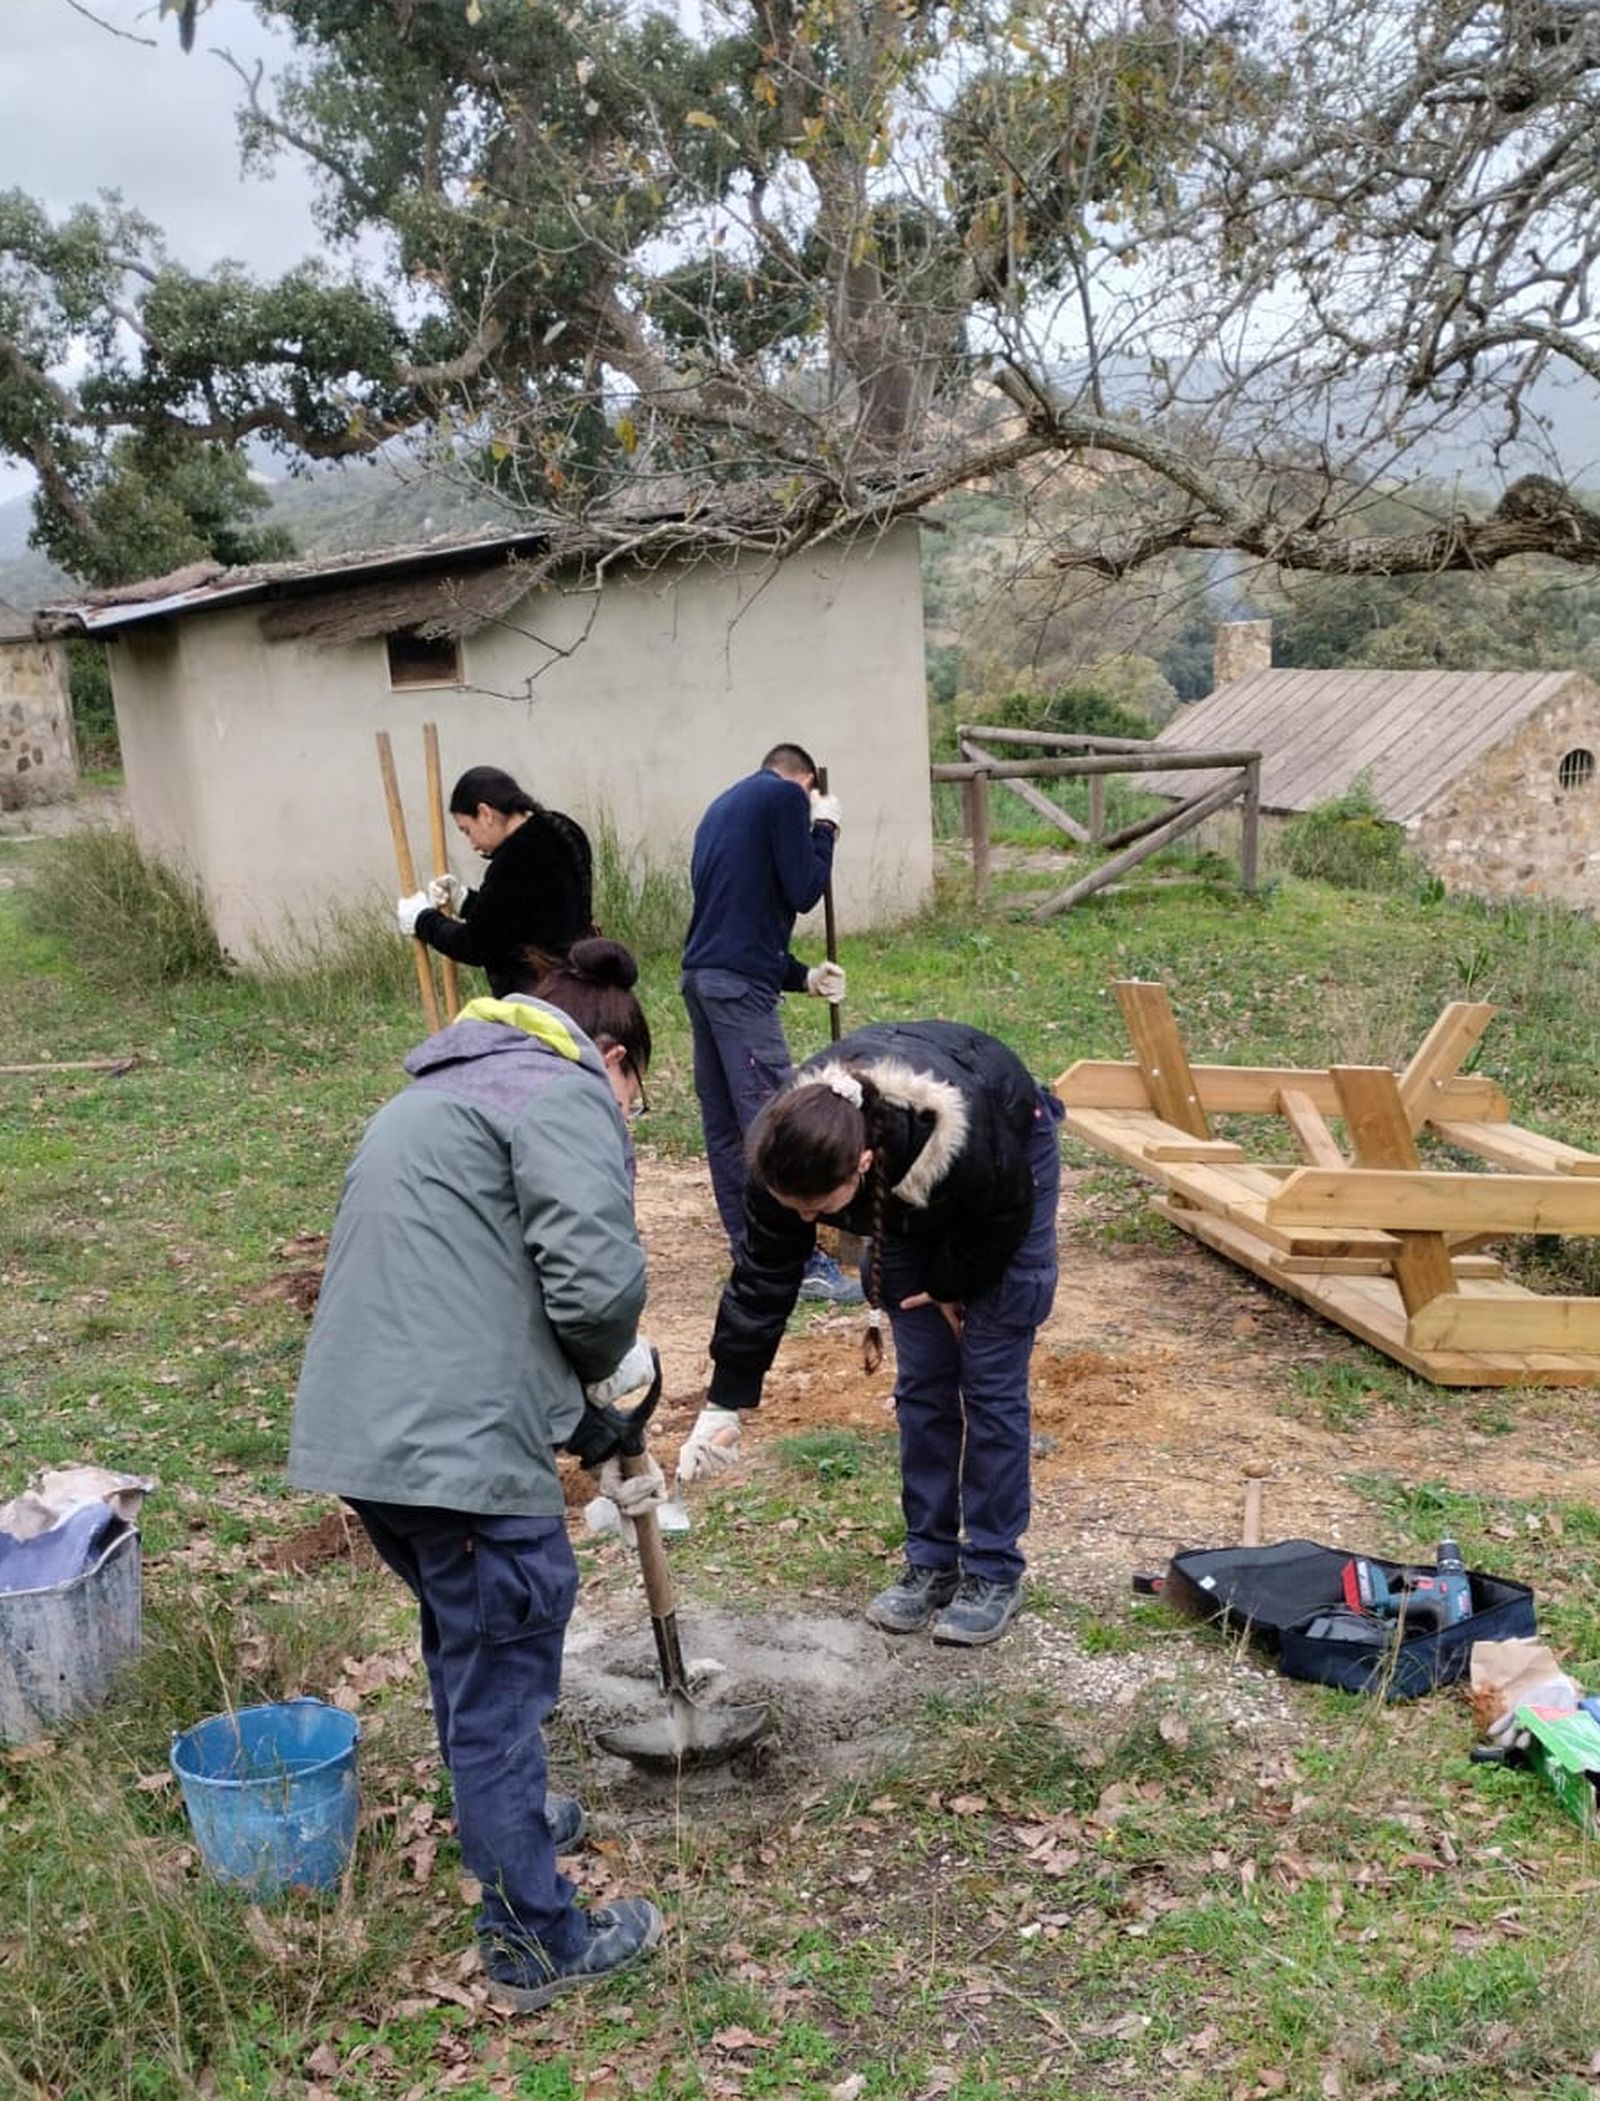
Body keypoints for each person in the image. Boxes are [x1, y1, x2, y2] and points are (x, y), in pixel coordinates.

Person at [287, 937, 666, 2012]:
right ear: (609, 1052)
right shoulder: (561, 1091)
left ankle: (515, 1820)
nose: (629, 1109)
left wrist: (582, 1420)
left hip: (372, 1438)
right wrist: (614, 1357)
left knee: (469, 1643)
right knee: (503, 1669)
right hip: (453, 1455)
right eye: (634, 1087)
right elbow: (589, 1287)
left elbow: (469, 1295)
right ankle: (535, 1939)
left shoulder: (437, 1092)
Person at [676, 1020, 1064, 1647]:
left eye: (818, 1210)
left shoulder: (960, 1139)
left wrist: (950, 1282)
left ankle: (993, 1569)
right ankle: (930, 1562)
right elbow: (764, 1275)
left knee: (988, 1380)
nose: (807, 1223)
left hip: (1002, 1167)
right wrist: (725, 1400)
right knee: (924, 1382)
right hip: (906, 1192)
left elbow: (1003, 1212)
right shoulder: (786, 1151)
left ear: (860, 1165)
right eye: (796, 1209)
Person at [680, 742, 862, 1304]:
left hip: (703, 978)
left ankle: (752, 1246)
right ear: (804, 779)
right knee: (772, 1122)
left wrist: (803, 976)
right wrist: (824, 831)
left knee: (727, 1128)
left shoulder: (722, 807)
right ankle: (796, 1261)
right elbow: (805, 890)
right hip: (737, 991)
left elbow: (739, 921)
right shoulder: (786, 795)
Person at [397, 764, 595, 997]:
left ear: (485, 813)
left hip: (540, 997)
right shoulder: (561, 828)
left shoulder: (514, 859)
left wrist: (423, 920)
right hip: (583, 981)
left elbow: (476, 945)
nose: (471, 844)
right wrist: (464, 900)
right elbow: (520, 915)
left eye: (467, 830)